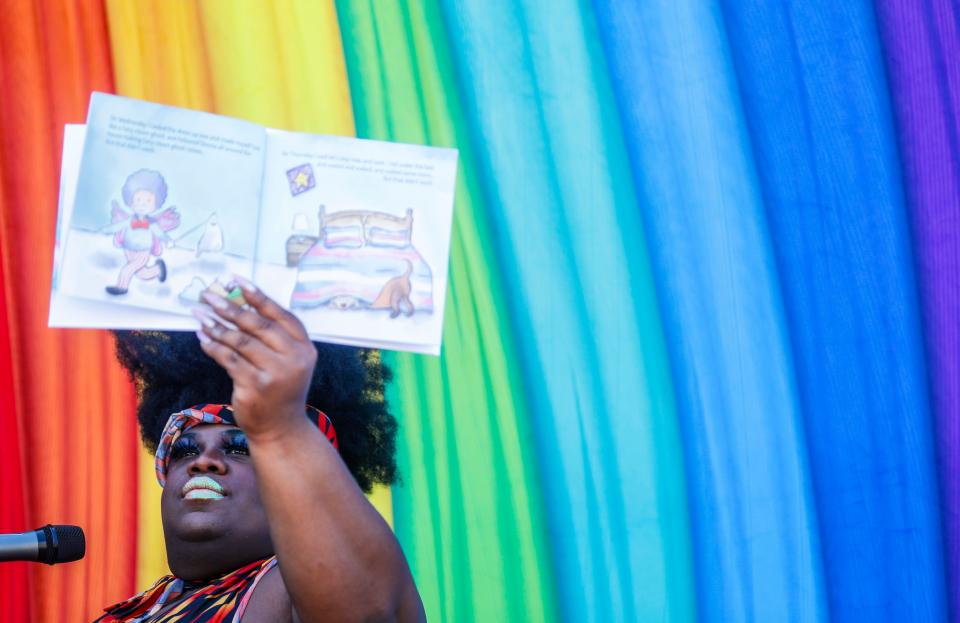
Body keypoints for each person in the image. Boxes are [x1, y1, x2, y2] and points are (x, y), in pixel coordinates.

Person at [93, 276, 425, 622]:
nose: (204, 462)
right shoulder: (142, 608)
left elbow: (368, 611)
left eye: (239, 448)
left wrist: (280, 425)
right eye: (184, 450)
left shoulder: (291, 594)